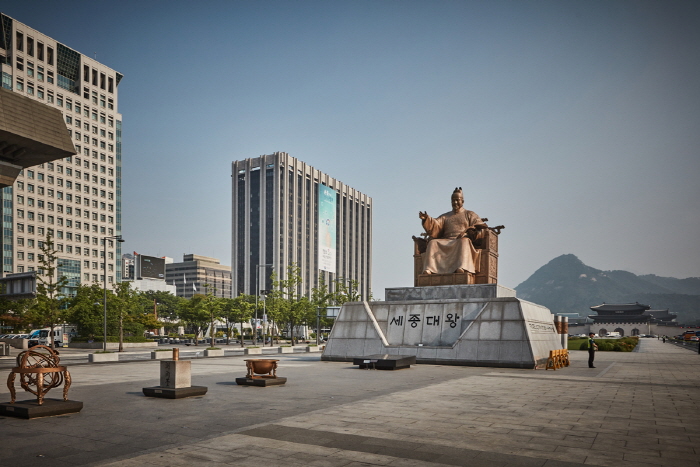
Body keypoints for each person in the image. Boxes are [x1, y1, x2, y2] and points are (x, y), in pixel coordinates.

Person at [418, 187, 487, 274]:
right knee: (433, 243)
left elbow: (480, 226)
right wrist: (427, 219)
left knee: (463, 242)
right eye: (453, 200)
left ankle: (462, 267)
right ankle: (430, 269)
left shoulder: (470, 214)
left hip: (461, 239)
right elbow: (436, 225)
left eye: (457, 200)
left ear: (462, 201)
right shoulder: (445, 216)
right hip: (446, 240)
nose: (455, 202)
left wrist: (468, 232)